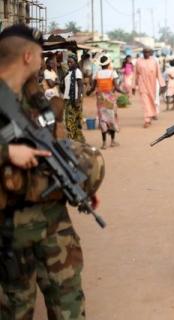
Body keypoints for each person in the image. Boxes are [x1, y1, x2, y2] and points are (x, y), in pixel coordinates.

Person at [0, 24, 100, 320]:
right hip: (10, 231)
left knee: (68, 304)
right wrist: (7, 152)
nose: (45, 59)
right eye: (42, 53)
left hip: (54, 224)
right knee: (15, 309)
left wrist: (77, 185)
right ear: (29, 55)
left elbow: (53, 146)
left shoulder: (35, 94)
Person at [87, 54, 125, 149]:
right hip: (110, 100)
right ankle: (112, 141)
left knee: (102, 120)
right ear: (108, 63)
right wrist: (124, 92)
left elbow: (92, 88)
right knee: (111, 119)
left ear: (101, 64)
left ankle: (104, 143)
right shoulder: (113, 73)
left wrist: (88, 92)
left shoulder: (97, 74)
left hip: (100, 100)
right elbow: (116, 87)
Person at [134, 48, 166, 128]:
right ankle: (147, 120)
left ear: (150, 53)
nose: (146, 54)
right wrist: (133, 86)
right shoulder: (138, 61)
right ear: (142, 52)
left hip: (152, 84)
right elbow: (135, 74)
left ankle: (151, 115)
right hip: (142, 84)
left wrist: (162, 84)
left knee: (151, 101)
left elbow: (158, 73)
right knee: (145, 102)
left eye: (148, 52)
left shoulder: (154, 61)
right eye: (145, 52)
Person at [64, 56, 86, 143]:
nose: (69, 64)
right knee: (72, 120)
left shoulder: (77, 72)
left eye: (71, 62)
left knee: (72, 120)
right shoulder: (69, 72)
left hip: (74, 99)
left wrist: (78, 98)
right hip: (68, 99)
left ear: (76, 63)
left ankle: (72, 139)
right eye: (68, 62)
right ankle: (75, 139)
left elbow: (80, 86)